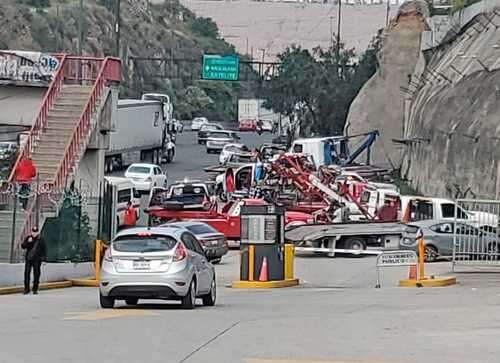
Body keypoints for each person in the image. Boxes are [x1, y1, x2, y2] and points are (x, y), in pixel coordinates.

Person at [21, 226, 46, 295]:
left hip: (37, 260)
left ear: (38, 232)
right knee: (27, 274)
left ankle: (35, 289)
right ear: (31, 232)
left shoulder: (41, 239)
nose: (34, 233)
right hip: (29, 259)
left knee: (36, 274)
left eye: (35, 232)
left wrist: (43, 259)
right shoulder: (29, 238)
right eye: (33, 232)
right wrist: (28, 242)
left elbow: (44, 249)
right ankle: (26, 289)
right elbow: (23, 246)